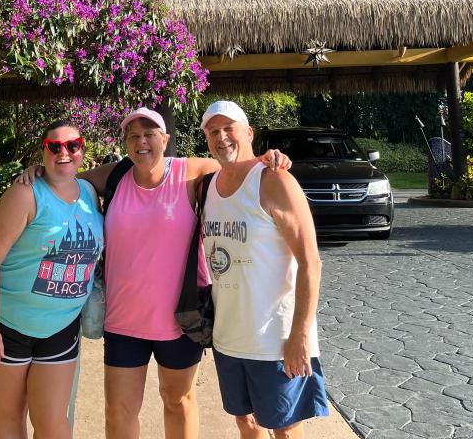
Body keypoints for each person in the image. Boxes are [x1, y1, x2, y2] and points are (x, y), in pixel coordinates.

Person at [19, 108, 291, 439]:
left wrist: (267, 159)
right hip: (124, 322)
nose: (141, 142)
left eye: (150, 134)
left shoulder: (188, 173)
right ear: (126, 143)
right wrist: (39, 169)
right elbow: (67, 177)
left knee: (178, 402)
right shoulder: (115, 176)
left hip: (181, 320)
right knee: (118, 411)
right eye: (133, 136)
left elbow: (235, 166)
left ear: (165, 140)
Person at [200, 100, 329, 439]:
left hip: (275, 340)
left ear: (249, 132)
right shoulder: (209, 186)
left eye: (230, 128)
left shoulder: (274, 180)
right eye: (214, 131)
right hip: (229, 338)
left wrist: (300, 334)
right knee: (247, 421)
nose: (222, 137)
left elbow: (311, 261)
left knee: (285, 428)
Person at [0, 121, 104, 439]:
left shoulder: (89, 192)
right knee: (10, 413)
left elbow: (137, 165)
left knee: (53, 422)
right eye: (54, 147)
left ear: (82, 149)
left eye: (72, 145)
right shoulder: (25, 194)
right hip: (9, 324)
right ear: (43, 151)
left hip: (61, 327)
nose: (64, 152)